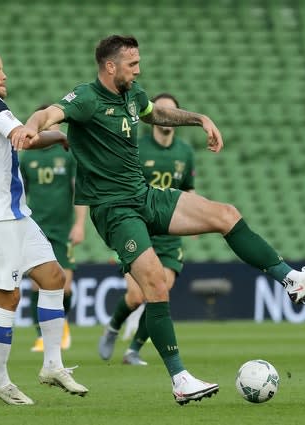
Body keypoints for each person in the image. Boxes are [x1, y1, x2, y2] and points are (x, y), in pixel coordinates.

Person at [11, 35, 305, 405]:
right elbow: (49, 114)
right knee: (154, 282)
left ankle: (291, 280)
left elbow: (158, 113)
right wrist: (30, 126)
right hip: (114, 210)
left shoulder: (133, 96)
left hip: (143, 196)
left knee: (226, 215)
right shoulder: (87, 98)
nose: (138, 70)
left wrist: (200, 119)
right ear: (110, 66)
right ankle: (180, 378)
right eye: (131, 64)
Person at [0, 48, 88, 406]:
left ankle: (53, 365)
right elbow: (25, 138)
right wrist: (59, 135)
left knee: (54, 278)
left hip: (13, 215)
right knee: (8, 296)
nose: (4, 75)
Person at [98, 93, 196, 366]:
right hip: (139, 229)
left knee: (160, 292)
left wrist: (194, 216)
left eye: (173, 111)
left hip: (170, 233)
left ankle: (133, 350)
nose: (168, 116)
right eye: (163, 110)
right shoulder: (137, 148)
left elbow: (188, 188)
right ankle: (114, 326)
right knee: (137, 295)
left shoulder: (185, 152)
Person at [19, 105, 88, 353]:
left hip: (62, 228)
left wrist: (79, 224)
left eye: (57, 124)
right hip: (36, 227)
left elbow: (78, 191)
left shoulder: (68, 155)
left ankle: (62, 325)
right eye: (50, 123)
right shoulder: (29, 157)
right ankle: (41, 335)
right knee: (37, 285)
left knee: (65, 286)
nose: (55, 127)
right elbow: (22, 194)